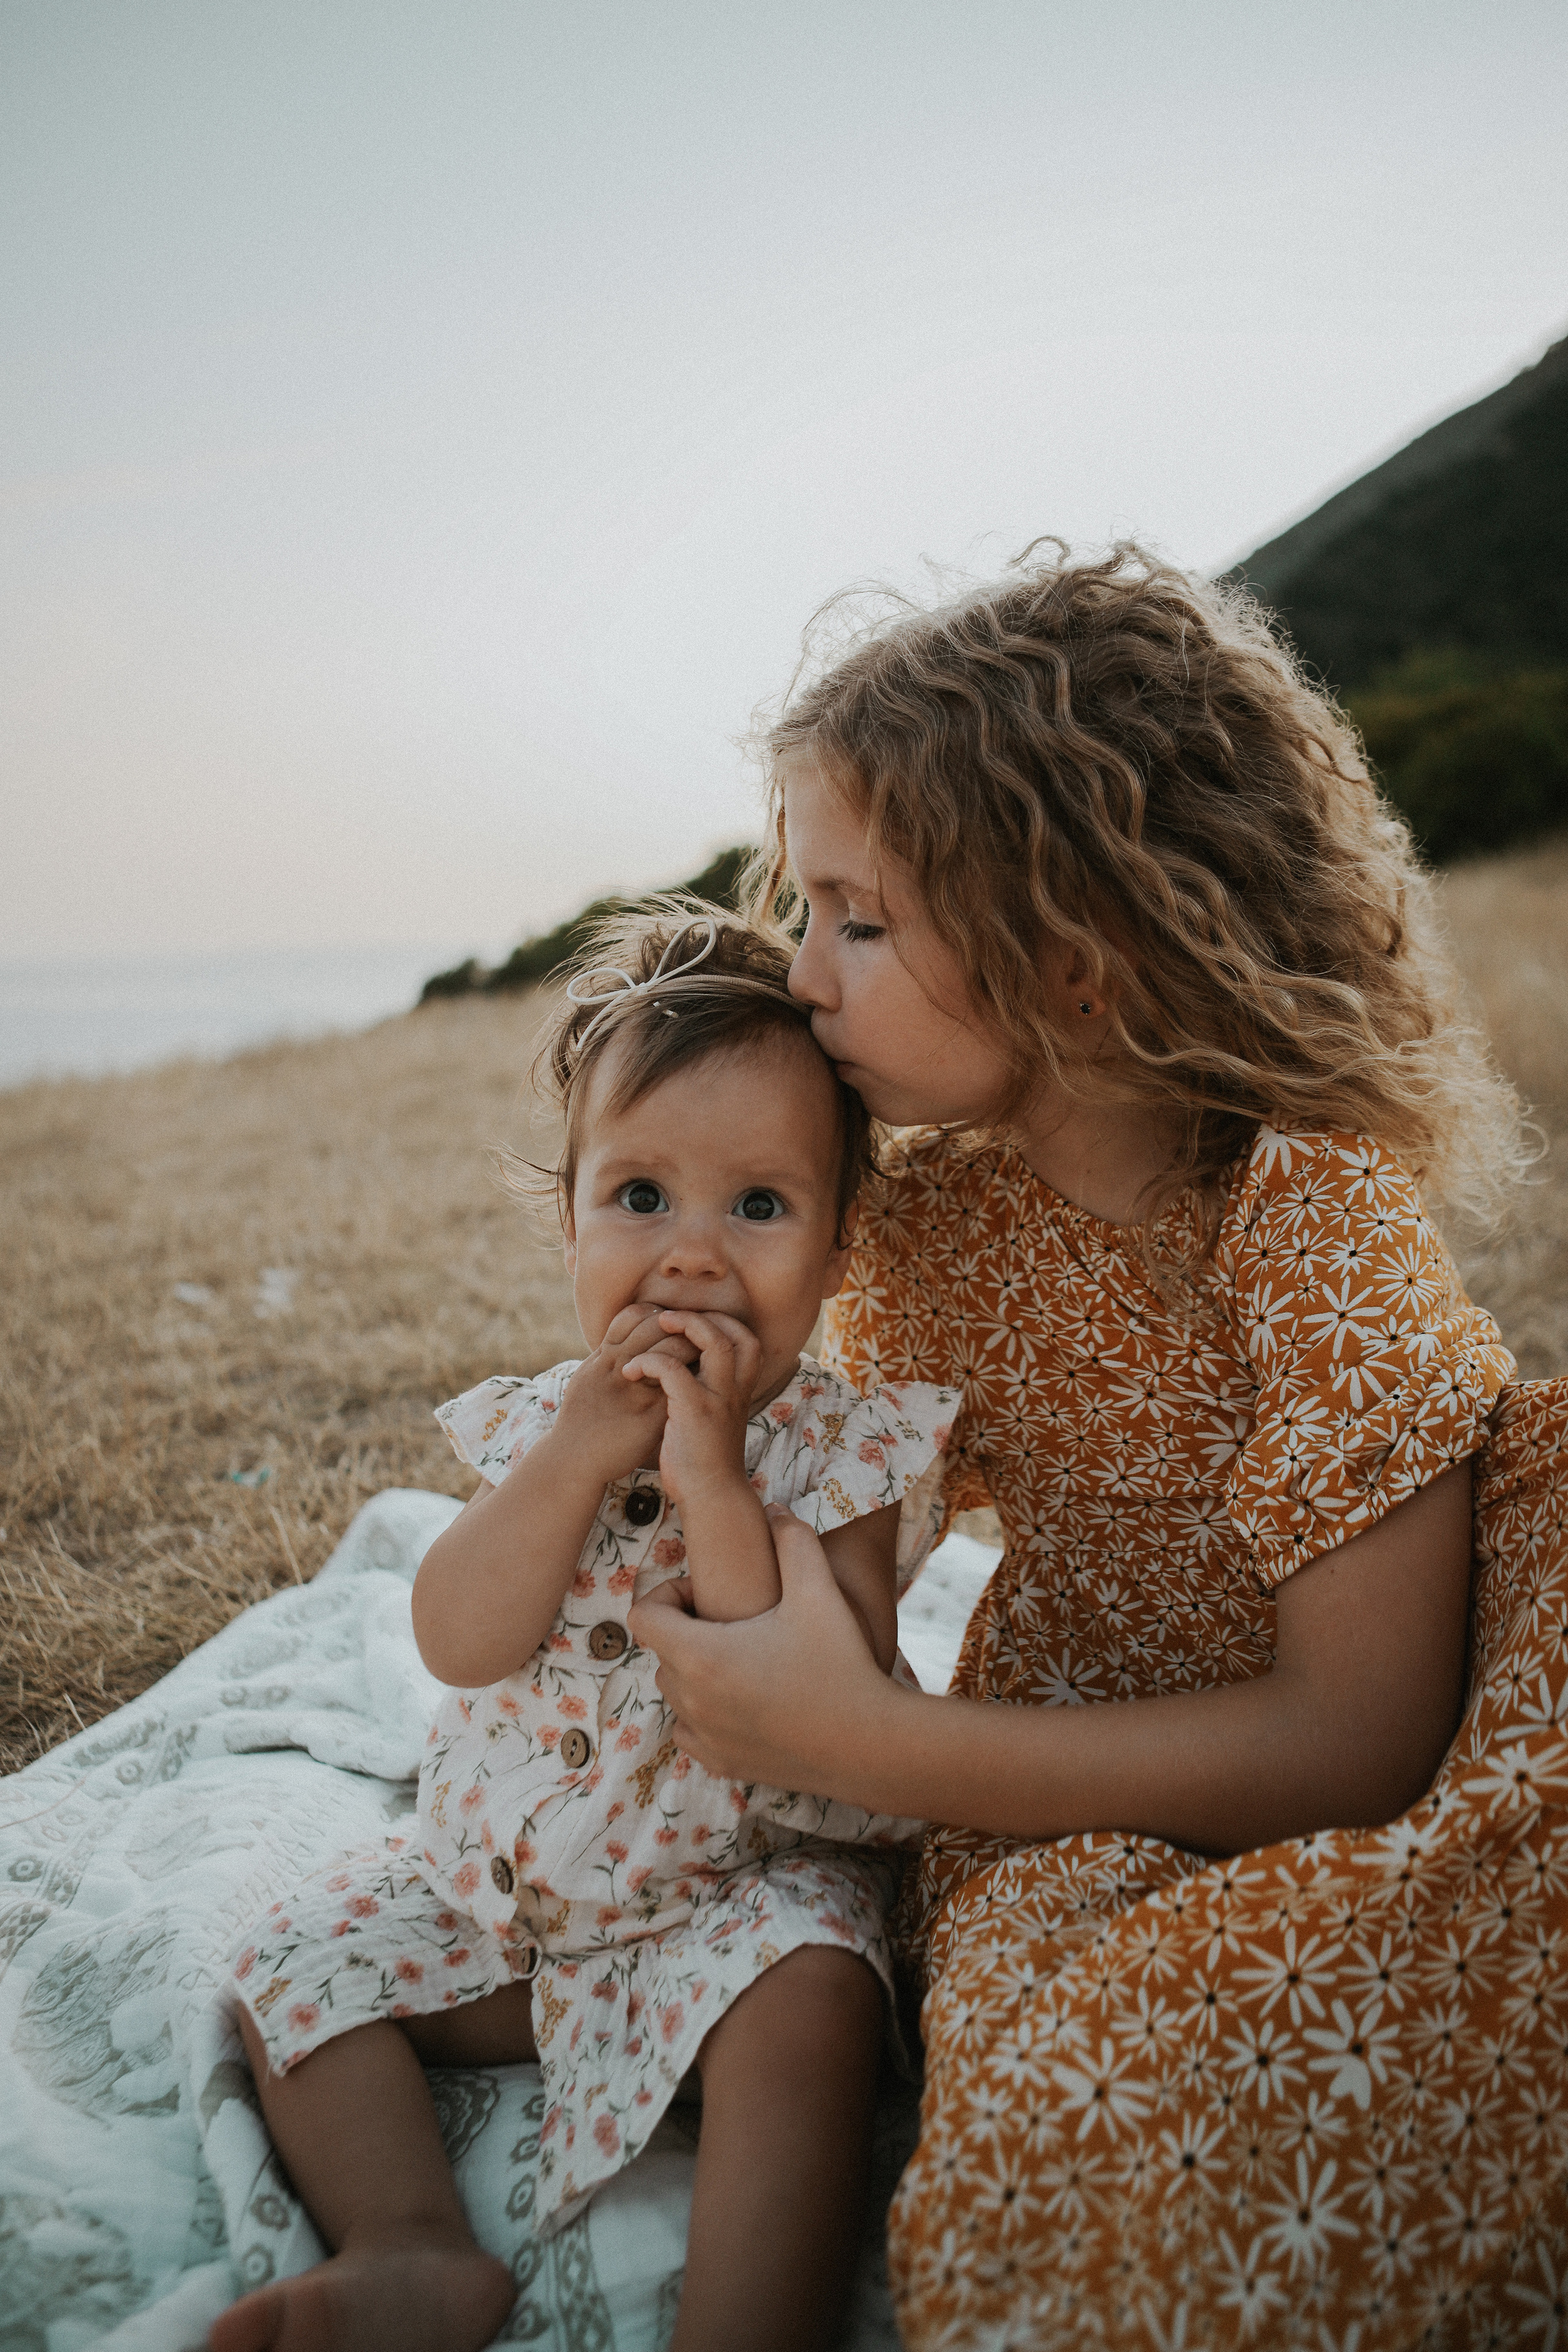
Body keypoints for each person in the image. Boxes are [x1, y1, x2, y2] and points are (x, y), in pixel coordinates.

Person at [630, 545, 1568, 2350]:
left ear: (1072, 958)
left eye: (857, 919)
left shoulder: (1311, 1216)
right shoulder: (927, 1233)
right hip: (1070, 1790)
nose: (802, 974)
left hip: (1411, 1752)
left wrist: (878, 1746)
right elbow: (837, 1562)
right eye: (804, 911)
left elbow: (1362, 1740)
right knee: (1062, 2101)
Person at [211, 911, 957, 2352]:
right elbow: (455, 1638)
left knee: (817, 1998)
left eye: (757, 1205)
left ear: (836, 1252)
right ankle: (408, 2243)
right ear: (569, 1223)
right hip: (510, 1904)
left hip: (735, 1905)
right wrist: (567, 1466)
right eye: (639, 1196)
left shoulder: (844, 1454)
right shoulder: (543, 1428)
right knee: (285, 1968)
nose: (690, 1255)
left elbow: (829, 1688)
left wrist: (713, 1483)